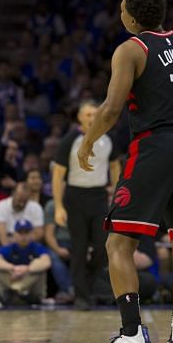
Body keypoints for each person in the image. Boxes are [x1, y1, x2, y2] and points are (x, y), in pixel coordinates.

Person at [77, 0, 173, 343]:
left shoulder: (130, 49)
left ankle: (131, 332)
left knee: (118, 243)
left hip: (155, 146)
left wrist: (87, 143)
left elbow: (110, 108)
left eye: (121, 8)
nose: (120, 13)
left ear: (131, 16)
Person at [52, 100, 122, 310]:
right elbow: (57, 175)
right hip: (75, 197)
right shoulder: (70, 140)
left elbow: (115, 166)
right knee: (79, 248)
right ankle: (82, 296)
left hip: (99, 196)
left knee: (103, 247)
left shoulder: (108, 139)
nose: (92, 118)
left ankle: (88, 285)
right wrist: (58, 206)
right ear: (80, 118)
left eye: (95, 114)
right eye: (88, 115)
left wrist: (116, 194)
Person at [0, 219, 52, 305]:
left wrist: (27, 269)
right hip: (13, 277)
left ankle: (20, 291)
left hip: (29, 281)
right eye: (20, 233)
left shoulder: (37, 247)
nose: (23, 236)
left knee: (39, 265)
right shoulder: (10, 247)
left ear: (31, 234)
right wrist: (12, 267)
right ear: (15, 235)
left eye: (26, 233)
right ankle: (10, 294)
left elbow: (46, 261)